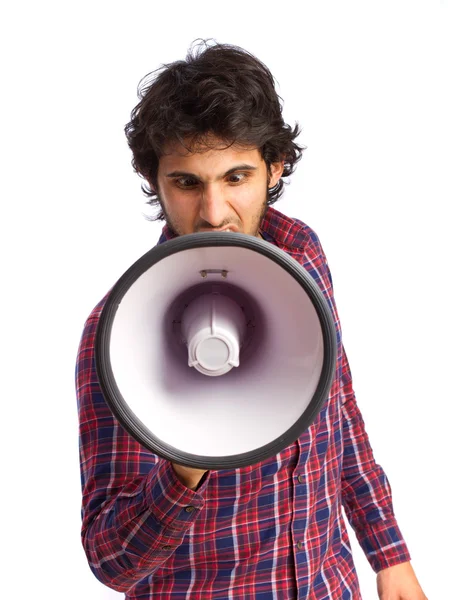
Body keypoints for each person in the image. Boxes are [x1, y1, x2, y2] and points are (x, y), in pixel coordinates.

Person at [76, 39, 428, 599]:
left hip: (326, 585)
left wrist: (388, 552)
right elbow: (112, 561)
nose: (214, 213)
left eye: (236, 177)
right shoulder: (117, 333)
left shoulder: (303, 256)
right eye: (187, 183)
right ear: (155, 181)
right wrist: (184, 464)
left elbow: (338, 407)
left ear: (274, 166)